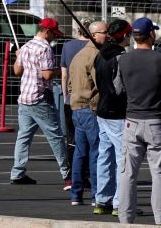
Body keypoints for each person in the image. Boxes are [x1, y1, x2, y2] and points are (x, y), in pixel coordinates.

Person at [117, 17, 161, 226]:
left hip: (132, 119)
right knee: (159, 173)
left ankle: (125, 218)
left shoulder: (123, 59)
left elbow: (119, 88)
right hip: (155, 120)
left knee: (127, 173)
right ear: (151, 34)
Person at [9, 18, 71, 188]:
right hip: (40, 97)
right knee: (55, 136)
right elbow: (47, 75)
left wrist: (18, 57)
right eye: (53, 34)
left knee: (24, 136)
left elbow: (17, 71)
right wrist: (62, 70)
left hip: (25, 97)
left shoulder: (27, 46)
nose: (53, 38)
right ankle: (67, 175)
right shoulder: (45, 49)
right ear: (47, 31)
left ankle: (17, 171)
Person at [92, 19, 132, 216]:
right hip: (117, 112)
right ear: (124, 36)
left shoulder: (100, 55)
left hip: (102, 109)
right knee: (121, 157)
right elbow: (121, 88)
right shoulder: (121, 57)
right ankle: (118, 202)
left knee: (104, 156)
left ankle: (102, 199)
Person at [68, 20, 108, 206]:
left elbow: (69, 84)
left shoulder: (78, 55)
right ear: (94, 35)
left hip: (76, 108)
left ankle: (76, 195)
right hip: (90, 109)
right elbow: (100, 82)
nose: (107, 35)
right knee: (95, 153)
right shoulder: (95, 55)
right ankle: (96, 195)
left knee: (80, 153)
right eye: (104, 32)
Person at [59, 17, 94, 186]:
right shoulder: (93, 48)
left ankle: (72, 177)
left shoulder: (68, 46)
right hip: (88, 99)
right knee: (91, 139)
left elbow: (64, 74)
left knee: (72, 139)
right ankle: (88, 174)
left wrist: (66, 96)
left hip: (71, 99)